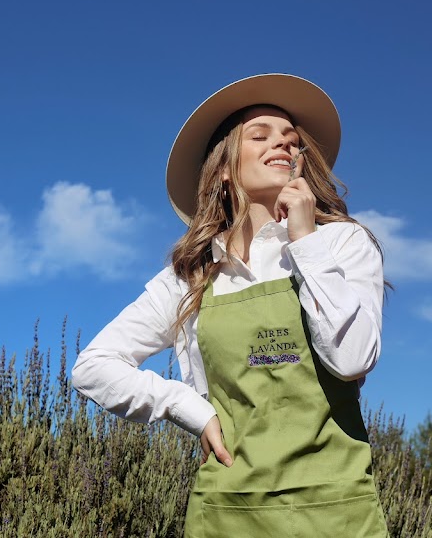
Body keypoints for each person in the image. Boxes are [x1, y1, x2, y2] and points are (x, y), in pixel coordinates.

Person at [72, 73, 389, 537]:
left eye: (292, 140)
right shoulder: (190, 276)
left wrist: (304, 240)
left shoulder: (340, 243)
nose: (282, 144)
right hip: (227, 512)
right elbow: (93, 367)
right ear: (223, 168)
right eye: (259, 136)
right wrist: (187, 408)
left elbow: (352, 359)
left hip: (335, 509)